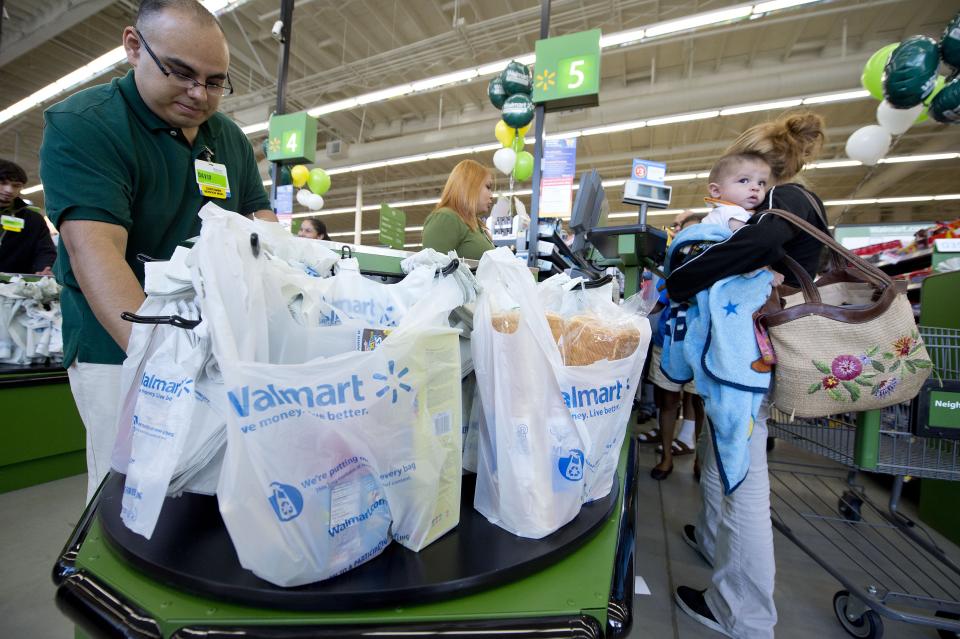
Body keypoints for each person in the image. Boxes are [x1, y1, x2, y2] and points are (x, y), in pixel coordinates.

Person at [39, 0, 276, 502]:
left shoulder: (226, 138)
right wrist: (164, 361)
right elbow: (95, 251)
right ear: (132, 47)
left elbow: (265, 231)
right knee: (129, 483)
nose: (199, 94)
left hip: (218, 336)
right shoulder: (85, 125)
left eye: (215, 81)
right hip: (118, 338)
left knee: (209, 479)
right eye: (182, 73)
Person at [667, 112, 828, 638]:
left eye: (754, 179)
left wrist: (681, 274)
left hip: (755, 360)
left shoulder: (787, 200)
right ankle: (712, 540)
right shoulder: (785, 202)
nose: (751, 190)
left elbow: (734, 257)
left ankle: (745, 613)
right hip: (750, 357)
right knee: (721, 453)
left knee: (748, 486)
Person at [640, 210, 705, 481]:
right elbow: (660, 303)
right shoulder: (672, 272)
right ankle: (666, 456)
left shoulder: (714, 272)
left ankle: (699, 457)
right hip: (666, 344)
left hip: (700, 348)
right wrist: (632, 314)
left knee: (699, 403)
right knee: (667, 401)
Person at [421, 159, 495, 260]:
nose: (491, 195)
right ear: (470, 186)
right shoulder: (446, 218)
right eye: (488, 187)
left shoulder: (476, 225)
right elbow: (433, 269)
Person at [0, 159, 56, 276]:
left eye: (16, 186)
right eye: (2, 183)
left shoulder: (33, 220)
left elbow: (45, 250)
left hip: (15, 287)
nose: (9, 190)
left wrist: (44, 267)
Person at [700, 152, 771, 232]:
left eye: (761, 183)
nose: (756, 187)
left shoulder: (720, 212)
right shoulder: (734, 212)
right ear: (716, 191)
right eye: (744, 181)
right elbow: (742, 240)